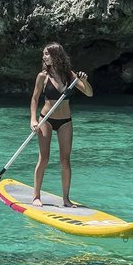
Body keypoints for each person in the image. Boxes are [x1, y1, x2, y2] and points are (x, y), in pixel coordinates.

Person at [29, 42, 93, 207]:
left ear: (56, 55)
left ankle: (66, 199)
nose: (44, 57)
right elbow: (35, 99)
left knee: (65, 160)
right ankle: (36, 196)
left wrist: (84, 81)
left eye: (47, 54)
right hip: (46, 120)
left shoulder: (70, 75)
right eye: (43, 54)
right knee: (44, 159)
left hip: (65, 122)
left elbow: (89, 93)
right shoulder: (42, 76)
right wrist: (33, 120)